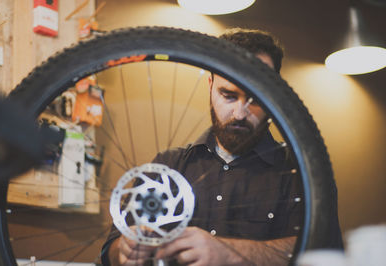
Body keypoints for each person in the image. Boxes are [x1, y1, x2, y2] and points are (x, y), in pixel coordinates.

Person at [101, 28, 343, 266]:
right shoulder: (166, 165)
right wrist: (125, 250)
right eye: (228, 95)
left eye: (255, 99)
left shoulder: (305, 174)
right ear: (209, 85)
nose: (239, 113)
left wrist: (230, 253)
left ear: (275, 95)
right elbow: (110, 252)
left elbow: (326, 252)